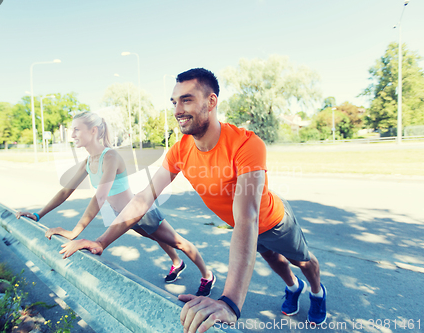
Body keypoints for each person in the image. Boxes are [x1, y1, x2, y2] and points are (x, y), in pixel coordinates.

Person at [63, 68, 327, 332]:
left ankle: (317, 292)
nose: (178, 109)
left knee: (303, 261)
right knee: (272, 258)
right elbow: (144, 198)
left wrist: (230, 302)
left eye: (186, 100)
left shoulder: (247, 144)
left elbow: (247, 217)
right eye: (174, 102)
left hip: (275, 221)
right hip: (251, 231)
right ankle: (293, 287)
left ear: (211, 102)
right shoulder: (180, 149)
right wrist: (100, 242)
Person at [16, 111, 215, 296]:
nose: (72, 134)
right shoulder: (88, 161)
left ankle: (207, 275)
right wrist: (38, 215)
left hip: (140, 213)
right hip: (123, 218)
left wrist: (74, 232)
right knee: (157, 238)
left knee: (178, 242)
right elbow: (65, 191)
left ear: (93, 131)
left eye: (76, 129)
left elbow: (100, 197)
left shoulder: (109, 157)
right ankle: (176, 262)